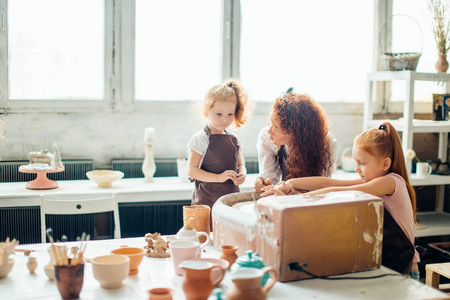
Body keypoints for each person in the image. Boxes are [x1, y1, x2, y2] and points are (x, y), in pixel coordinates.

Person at [260, 121, 420, 278]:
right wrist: (290, 184)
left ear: (385, 164)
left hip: (404, 267)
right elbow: (330, 182)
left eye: (362, 163)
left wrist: (298, 200)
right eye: (356, 162)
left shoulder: (391, 181)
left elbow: (343, 191)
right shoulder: (376, 179)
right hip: (390, 262)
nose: (357, 169)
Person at [254, 88, 337, 192]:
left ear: (298, 133)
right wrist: (263, 183)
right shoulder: (266, 137)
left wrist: (294, 193)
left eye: (277, 128)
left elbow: (323, 186)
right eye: (270, 123)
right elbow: (269, 178)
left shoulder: (326, 143)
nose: (270, 131)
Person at [187, 78, 249, 214]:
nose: (225, 119)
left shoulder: (234, 139)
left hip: (231, 201)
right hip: (206, 203)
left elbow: (241, 165)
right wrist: (218, 178)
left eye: (230, 114)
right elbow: (192, 171)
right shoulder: (200, 139)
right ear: (206, 111)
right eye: (219, 114)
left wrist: (242, 175)